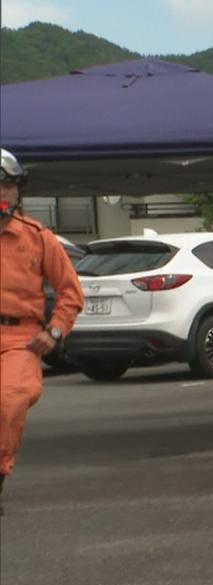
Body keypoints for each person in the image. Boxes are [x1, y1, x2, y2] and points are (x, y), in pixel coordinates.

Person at [0, 148, 85, 515]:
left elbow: (70, 292)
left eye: (7, 185)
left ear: (18, 190)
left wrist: (54, 331)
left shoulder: (39, 238)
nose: (1, 192)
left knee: (12, 398)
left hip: (20, 337)